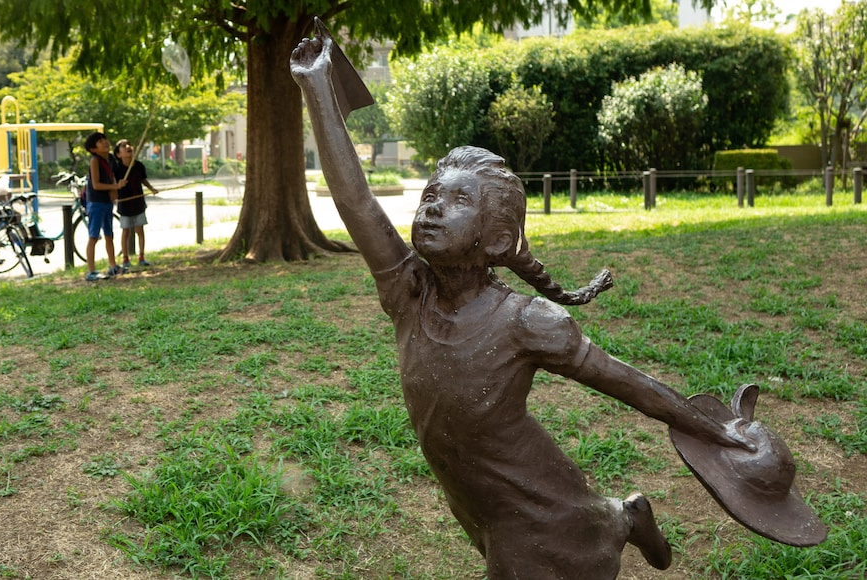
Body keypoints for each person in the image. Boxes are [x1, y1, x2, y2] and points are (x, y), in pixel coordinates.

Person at [290, 22, 761, 579]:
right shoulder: (407, 292)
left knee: (531, 557)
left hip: (530, 491)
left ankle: (617, 520)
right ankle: (625, 518)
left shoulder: (528, 322)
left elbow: (627, 383)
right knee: (557, 535)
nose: (435, 207)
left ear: (493, 237)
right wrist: (318, 88)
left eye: (459, 199)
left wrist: (714, 429)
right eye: (431, 196)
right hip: (473, 491)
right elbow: (358, 202)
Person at [83, 132, 126, 281]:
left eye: (104, 140)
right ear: (93, 149)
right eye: (100, 142)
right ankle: (91, 271)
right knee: (93, 236)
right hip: (96, 202)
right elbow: (96, 184)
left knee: (109, 235)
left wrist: (114, 190)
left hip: (107, 201)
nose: (105, 143)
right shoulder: (95, 160)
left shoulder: (111, 159)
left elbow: (113, 176)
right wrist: (115, 186)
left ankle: (113, 266)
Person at [114, 139, 158, 273]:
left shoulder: (138, 166)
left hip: (138, 202)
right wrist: (116, 194)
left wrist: (151, 189)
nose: (128, 147)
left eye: (128, 145)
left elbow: (143, 180)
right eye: (123, 146)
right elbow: (114, 184)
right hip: (124, 203)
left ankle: (141, 256)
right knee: (126, 231)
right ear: (118, 154)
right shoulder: (117, 168)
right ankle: (125, 259)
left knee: (140, 230)